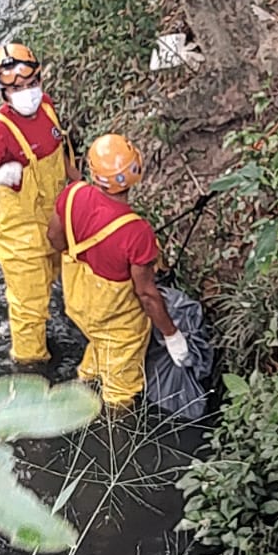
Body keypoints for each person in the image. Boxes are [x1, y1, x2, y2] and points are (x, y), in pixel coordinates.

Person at [48, 133, 190, 408]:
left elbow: (54, 238)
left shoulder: (72, 194)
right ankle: (114, 427)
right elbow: (146, 294)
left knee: (98, 344)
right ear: (135, 171)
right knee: (120, 392)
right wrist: (172, 335)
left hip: (79, 305)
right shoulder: (137, 232)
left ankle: (85, 384)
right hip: (116, 320)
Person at [0, 43, 78, 366]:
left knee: (69, 283)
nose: (27, 93)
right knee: (29, 312)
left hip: (56, 222)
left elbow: (61, 155)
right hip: (20, 238)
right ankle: (31, 369)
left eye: (31, 84)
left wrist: (81, 187)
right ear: (3, 93)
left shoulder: (47, 107)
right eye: (17, 88)